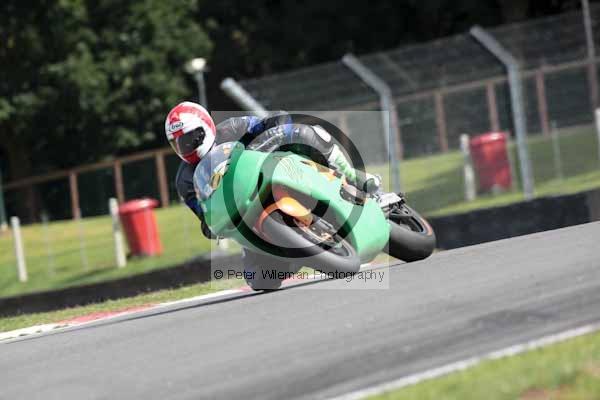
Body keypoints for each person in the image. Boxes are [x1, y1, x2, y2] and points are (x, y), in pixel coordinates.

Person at [165, 101, 380, 288]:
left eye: (191, 138)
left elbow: (270, 122)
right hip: (246, 213)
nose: (186, 147)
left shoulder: (233, 128)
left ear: (206, 127)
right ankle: (298, 254)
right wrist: (210, 224)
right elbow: (203, 214)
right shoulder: (185, 180)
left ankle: (352, 176)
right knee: (259, 279)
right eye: (178, 144)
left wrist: (274, 128)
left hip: (276, 171)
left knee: (307, 132)